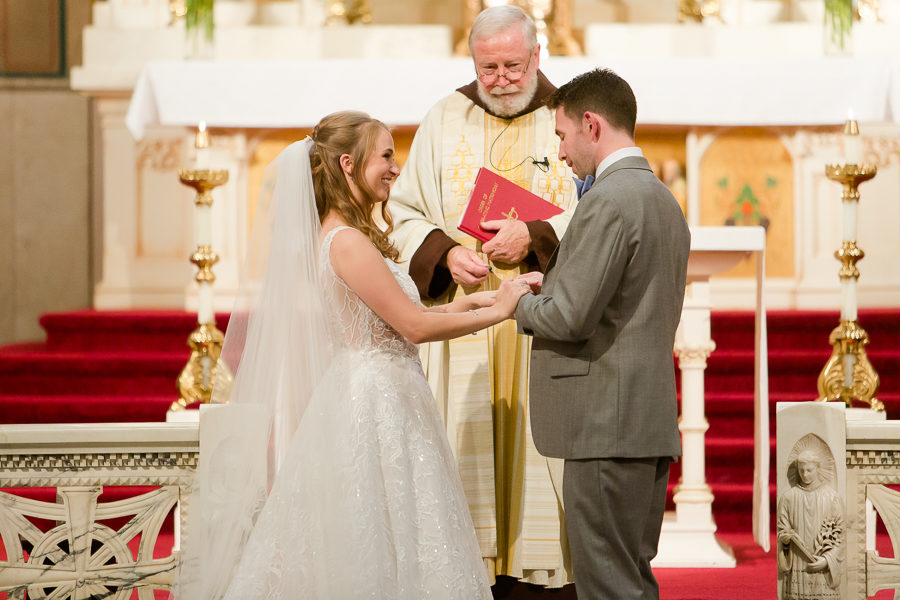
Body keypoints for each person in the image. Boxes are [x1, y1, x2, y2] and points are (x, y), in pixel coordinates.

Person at [173, 111, 531, 600]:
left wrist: (493, 296)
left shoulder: (345, 237)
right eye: (385, 155)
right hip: (375, 403)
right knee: (382, 534)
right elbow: (415, 325)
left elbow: (406, 312)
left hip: (384, 392)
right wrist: (503, 311)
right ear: (348, 163)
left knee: (397, 531)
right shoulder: (347, 243)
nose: (395, 167)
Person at [385, 5, 577, 585]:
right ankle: (470, 576)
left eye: (512, 66)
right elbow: (402, 211)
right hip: (465, 315)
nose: (499, 80)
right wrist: (444, 253)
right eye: (487, 67)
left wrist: (537, 235)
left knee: (540, 462)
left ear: (537, 55)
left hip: (545, 314)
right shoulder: (444, 117)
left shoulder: (572, 116)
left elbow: (602, 209)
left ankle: (538, 575)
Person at [512, 68, 691, 599]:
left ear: (591, 125)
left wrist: (517, 303)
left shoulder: (608, 200)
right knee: (630, 580)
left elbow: (568, 317)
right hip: (641, 419)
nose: (561, 153)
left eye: (563, 136)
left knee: (606, 586)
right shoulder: (661, 199)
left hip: (604, 427)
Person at [777, 447, 845, 599]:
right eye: (801, 470)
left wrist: (828, 560)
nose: (805, 475)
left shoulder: (831, 497)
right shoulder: (788, 498)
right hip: (797, 565)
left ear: (818, 468)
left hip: (821, 564)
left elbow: (841, 534)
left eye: (809, 470)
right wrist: (786, 540)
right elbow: (782, 530)